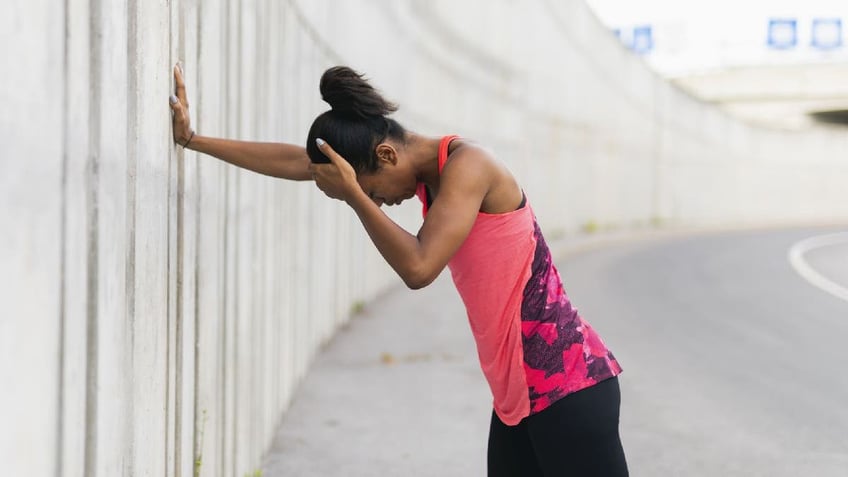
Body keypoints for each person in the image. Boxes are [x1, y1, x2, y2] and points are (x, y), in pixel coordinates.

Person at [169, 63, 628, 476]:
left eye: (372, 189)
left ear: (387, 156)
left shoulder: (471, 167)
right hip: (519, 396)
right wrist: (194, 140)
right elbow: (299, 162)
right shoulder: (432, 175)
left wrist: (353, 197)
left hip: (568, 386)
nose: (377, 200)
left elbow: (419, 267)